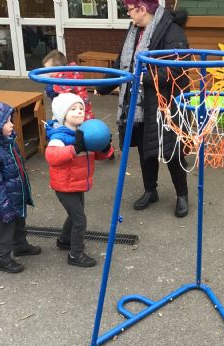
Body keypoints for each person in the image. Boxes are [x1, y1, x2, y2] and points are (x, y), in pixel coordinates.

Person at [96, 0, 189, 217]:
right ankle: (150, 190)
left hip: (165, 103)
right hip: (137, 104)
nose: (128, 14)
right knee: (145, 149)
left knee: (171, 151)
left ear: (142, 9)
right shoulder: (135, 31)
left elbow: (177, 71)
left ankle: (182, 195)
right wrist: (103, 86)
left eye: (129, 10)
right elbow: (122, 64)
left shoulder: (172, 31)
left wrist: (141, 78)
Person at [45, 93, 114, 268]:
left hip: (78, 183)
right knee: (80, 220)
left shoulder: (86, 132)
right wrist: (74, 148)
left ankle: (64, 240)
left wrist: (105, 147)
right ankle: (75, 255)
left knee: (75, 214)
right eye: (73, 109)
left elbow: (97, 155)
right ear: (63, 115)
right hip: (64, 185)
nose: (79, 111)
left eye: (81, 108)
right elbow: (52, 156)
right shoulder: (60, 136)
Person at [0, 100, 42, 273]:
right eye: (6, 122)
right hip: (1, 203)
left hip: (14, 195)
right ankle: (2, 258)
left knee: (19, 223)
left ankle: (20, 246)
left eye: (10, 120)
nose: (11, 124)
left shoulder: (8, 143)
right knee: (3, 231)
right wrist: (3, 206)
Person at [42, 50, 95, 121]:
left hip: (74, 115)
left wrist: (49, 86)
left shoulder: (62, 79)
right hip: (85, 111)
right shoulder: (73, 72)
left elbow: (50, 91)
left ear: (58, 68)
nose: (47, 74)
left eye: (48, 70)